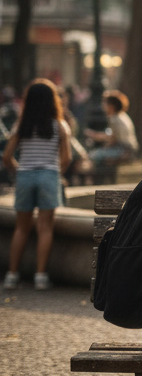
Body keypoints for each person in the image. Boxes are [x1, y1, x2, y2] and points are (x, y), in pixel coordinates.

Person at [3, 79, 72, 291]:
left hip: (25, 175)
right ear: (53, 101)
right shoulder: (59, 126)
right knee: (45, 228)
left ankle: (12, 275)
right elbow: (67, 158)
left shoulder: (21, 126)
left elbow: (6, 156)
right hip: (49, 175)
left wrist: (18, 170)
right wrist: (55, 173)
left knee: (21, 228)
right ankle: (40, 276)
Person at [85, 90, 139, 170]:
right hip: (130, 149)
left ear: (111, 106)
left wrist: (94, 135)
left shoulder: (114, 119)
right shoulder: (122, 115)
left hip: (125, 150)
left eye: (105, 103)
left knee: (94, 155)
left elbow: (112, 139)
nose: (102, 106)